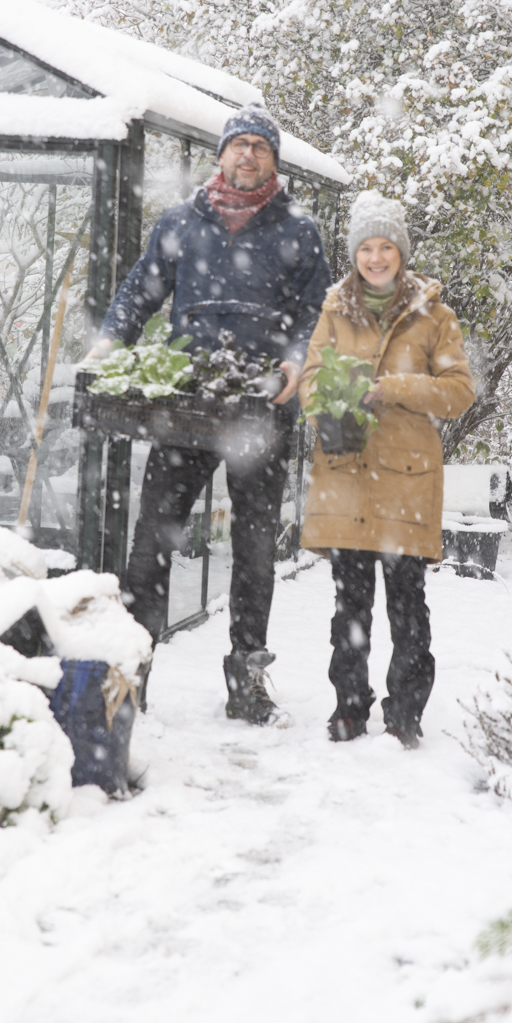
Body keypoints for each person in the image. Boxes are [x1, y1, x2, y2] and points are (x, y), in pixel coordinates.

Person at [90, 103, 331, 724]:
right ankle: (133, 673)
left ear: (274, 161)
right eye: (238, 144)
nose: (247, 154)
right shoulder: (181, 223)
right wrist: (110, 343)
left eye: (259, 146)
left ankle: (247, 679)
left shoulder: (298, 230)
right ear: (220, 156)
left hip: (260, 405)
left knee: (253, 548)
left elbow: (315, 314)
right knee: (152, 540)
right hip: (186, 405)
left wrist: (295, 364)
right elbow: (139, 290)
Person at [299, 191, 475, 748]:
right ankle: (349, 708)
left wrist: (393, 389)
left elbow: (459, 393)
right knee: (350, 604)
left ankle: (405, 710)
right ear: (355, 254)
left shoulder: (435, 316)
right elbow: (308, 381)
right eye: (366, 248)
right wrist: (330, 402)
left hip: (405, 480)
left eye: (386, 247)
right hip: (346, 475)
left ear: (401, 252)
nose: (376, 258)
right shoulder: (334, 311)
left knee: (406, 605)